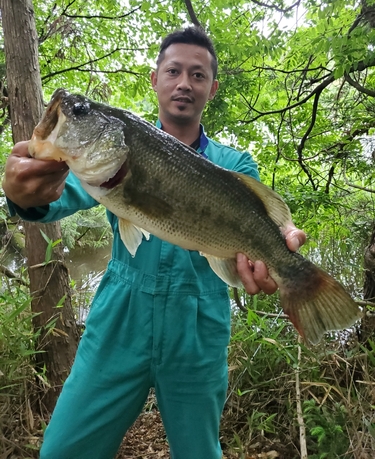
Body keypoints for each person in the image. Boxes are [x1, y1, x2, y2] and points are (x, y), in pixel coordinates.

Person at [2, 27, 305, 459]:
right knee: (64, 450)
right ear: (155, 78)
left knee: (200, 452)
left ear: (212, 89)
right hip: (118, 322)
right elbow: (48, 200)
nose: (184, 83)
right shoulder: (112, 152)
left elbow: (257, 230)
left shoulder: (235, 164)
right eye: (174, 71)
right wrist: (20, 194)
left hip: (198, 329)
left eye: (197, 75)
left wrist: (279, 254)